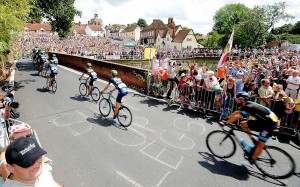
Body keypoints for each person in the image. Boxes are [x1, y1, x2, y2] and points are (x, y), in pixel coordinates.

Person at [220, 92, 278, 167]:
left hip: (270, 124)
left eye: (238, 99)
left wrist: (226, 123)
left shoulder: (249, 106)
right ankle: (253, 140)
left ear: (243, 99)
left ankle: (251, 161)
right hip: (264, 121)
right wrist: (226, 119)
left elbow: (238, 116)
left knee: (260, 143)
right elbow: (237, 112)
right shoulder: (247, 104)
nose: (237, 100)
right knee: (243, 124)